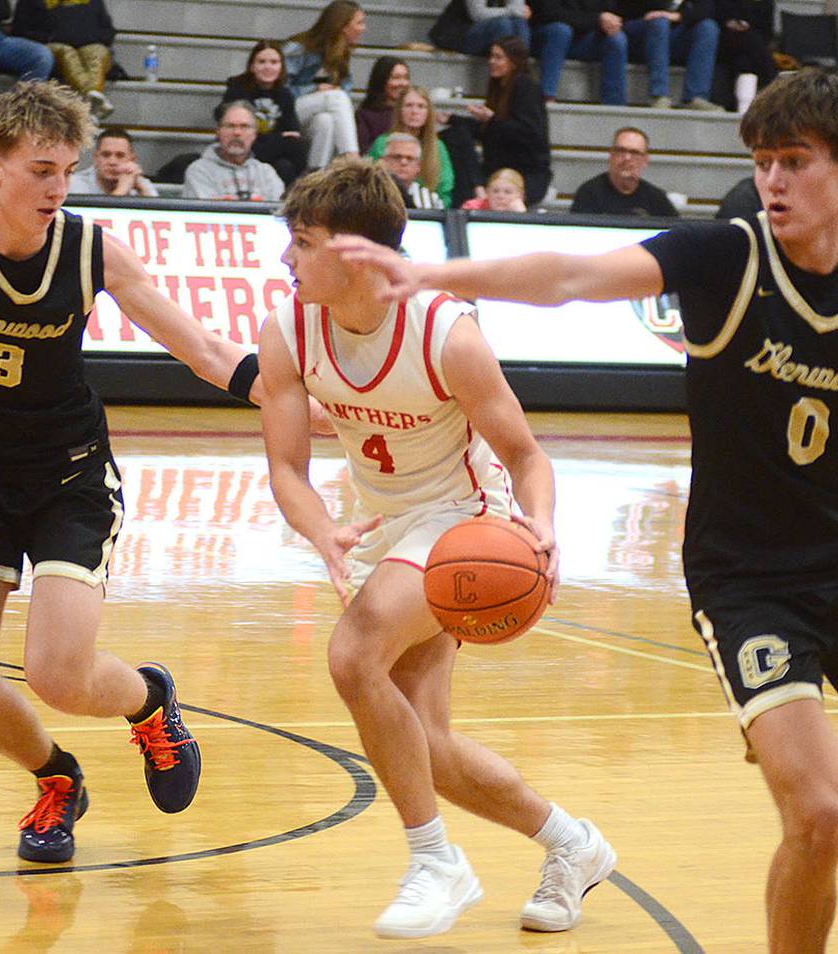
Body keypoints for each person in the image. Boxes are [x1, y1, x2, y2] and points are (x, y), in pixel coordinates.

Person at [334, 69, 838, 953]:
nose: (774, 182)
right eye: (764, 163)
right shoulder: (723, 256)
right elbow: (569, 272)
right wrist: (431, 272)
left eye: (796, 162)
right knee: (821, 814)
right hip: (747, 583)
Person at [0, 79, 271, 863]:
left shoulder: (91, 247)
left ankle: (151, 703)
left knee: (58, 676)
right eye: (40, 169)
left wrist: (294, 398)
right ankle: (57, 779)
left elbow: (200, 347)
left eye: (67, 168)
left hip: (68, 474)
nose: (58, 187)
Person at [258, 157, 615, 939]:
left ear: (354, 255)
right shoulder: (289, 326)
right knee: (429, 749)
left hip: (464, 516)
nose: (287, 258)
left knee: (354, 657)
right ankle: (574, 845)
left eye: (303, 241)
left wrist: (544, 525)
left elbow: (525, 454)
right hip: (384, 525)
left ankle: (435, 863)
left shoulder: (445, 332)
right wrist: (321, 529)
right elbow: (286, 466)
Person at [466, 37, 551, 208]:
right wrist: (455, 120)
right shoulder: (499, 88)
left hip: (527, 172)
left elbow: (530, 133)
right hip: (500, 168)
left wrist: (491, 120)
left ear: (513, 61)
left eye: (498, 57)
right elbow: (494, 131)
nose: (492, 61)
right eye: (491, 56)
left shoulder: (525, 86)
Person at [283, 0, 366, 169]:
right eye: (359, 23)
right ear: (342, 26)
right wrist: (314, 89)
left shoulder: (341, 53)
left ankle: (315, 174)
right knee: (336, 97)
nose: (363, 28)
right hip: (287, 111)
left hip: (315, 114)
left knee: (325, 121)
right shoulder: (299, 48)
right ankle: (351, 158)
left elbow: (345, 93)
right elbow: (280, 90)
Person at [218, 40, 307, 186]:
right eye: (262, 62)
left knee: (288, 161)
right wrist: (278, 138)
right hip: (244, 148)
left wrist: (274, 139)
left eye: (274, 62)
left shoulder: (285, 95)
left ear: (281, 67)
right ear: (252, 66)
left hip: (272, 153)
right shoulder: (237, 90)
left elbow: (293, 133)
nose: (268, 67)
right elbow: (237, 130)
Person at [12, 0, 117, 119]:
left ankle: (92, 95)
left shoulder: (93, 1)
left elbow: (108, 31)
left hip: (87, 45)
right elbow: (20, 32)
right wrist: (51, 37)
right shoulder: (30, 2)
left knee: (97, 51)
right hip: (50, 46)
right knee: (67, 52)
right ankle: (91, 98)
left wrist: (88, 38)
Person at [617, 0, 724, 111]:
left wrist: (679, 16)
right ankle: (658, 95)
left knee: (708, 27)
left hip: (676, 29)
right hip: (641, 29)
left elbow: (707, 8)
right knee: (659, 22)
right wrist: (665, 14)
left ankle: (696, 98)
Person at [367, 86, 455, 208]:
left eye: (421, 106)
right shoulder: (383, 142)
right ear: (399, 110)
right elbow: (369, 179)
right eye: (409, 105)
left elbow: (445, 191)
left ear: (428, 112)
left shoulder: (438, 147)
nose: (414, 111)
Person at [182, 102, 286, 202]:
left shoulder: (266, 173)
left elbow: (280, 213)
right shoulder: (199, 171)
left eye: (244, 126)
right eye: (230, 126)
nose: (237, 132)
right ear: (218, 132)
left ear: (255, 134)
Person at [531, 0, 628, 106]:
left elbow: (609, 13)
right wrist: (597, 19)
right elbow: (550, 13)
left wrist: (606, 21)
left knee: (617, 39)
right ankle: (547, 97)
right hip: (547, 36)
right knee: (561, 31)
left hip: (582, 39)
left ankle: (614, 106)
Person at [569, 126, 677, 217]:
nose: (627, 158)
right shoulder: (589, 194)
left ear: (645, 160)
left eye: (634, 153)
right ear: (611, 155)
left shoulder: (657, 199)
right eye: (621, 151)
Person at [713, 0, 775, 113]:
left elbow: (767, 31)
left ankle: (742, 108)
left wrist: (746, 24)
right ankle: (770, 91)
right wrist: (729, 23)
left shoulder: (765, 3)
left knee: (744, 61)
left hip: (749, 47)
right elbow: (714, 14)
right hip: (723, 39)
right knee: (753, 42)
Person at [69, 127, 158, 197]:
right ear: (96, 158)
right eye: (106, 155)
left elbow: (159, 217)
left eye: (120, 155)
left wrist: (142, 189)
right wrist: (122, 189)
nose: (112, 162)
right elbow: (99, 218)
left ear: (132, 160)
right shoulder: (75, 184)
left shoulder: (142, 184)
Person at [428, 0, 532, 57]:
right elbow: (477, 14)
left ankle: (519, 73)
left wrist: (515, 11)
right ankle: (502, 79)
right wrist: (511, 11)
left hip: (490, 35)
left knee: (520, 23)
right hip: (458, 32)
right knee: (502, 25)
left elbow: (519, 11)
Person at [354, 55, 409, 154]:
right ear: (381, 80)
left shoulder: (412, 111)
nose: (403, 83)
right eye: (396, 78)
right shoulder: (364, 115)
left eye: (405, 77)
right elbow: (365, 153)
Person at [378, 133, 443, 209]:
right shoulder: (371, 194)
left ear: (418, 166)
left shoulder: (432, 200)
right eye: (397, 157)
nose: (403, 162)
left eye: (410, 158)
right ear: (384, 162)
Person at [462, 167, 528, 211]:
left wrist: (521, 215)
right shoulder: (472, 208)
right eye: (495, 191)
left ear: (520, 195)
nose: (500, 196)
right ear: (487, 192)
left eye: (508, 192)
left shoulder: (520, 210)